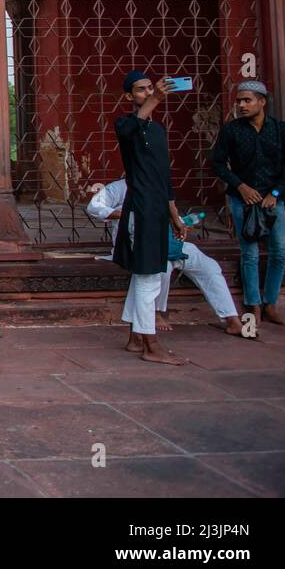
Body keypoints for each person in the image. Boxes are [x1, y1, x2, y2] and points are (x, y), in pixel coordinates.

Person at [88, 178, 249, 339]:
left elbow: (172, 215)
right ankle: (156, 313)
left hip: (170, 243)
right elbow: (94, 207)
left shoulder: (160, 185)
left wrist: (179, 224)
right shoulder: (119, 188)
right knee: (161, 267)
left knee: (209, 267)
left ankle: (231, 318)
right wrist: (130, 213)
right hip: (139, 246)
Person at [113, 71, 188, 365]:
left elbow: (164, 177)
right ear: (130, 97)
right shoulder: (126, 124)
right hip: (140, 208)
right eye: (140, 90)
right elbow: (132, 127)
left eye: (149, 88)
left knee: (150, 273)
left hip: (158, 208)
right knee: (147, 276)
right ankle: (151, 344)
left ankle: (135, 337)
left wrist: (175, 216)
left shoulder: (157, 131)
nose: (147, 92)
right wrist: (156, 98)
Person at [211, 79, 285, 327]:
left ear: (262, 102)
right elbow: (218, 163)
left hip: (273, 200)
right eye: (239, 100)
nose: (241, 105)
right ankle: (254, 305)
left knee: (279, 252)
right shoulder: (231, 130)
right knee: (249, 253)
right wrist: (241, 186)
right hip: (243, 199)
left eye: (247, 100)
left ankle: (270, 303)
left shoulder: (281, 130)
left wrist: (275, 193)